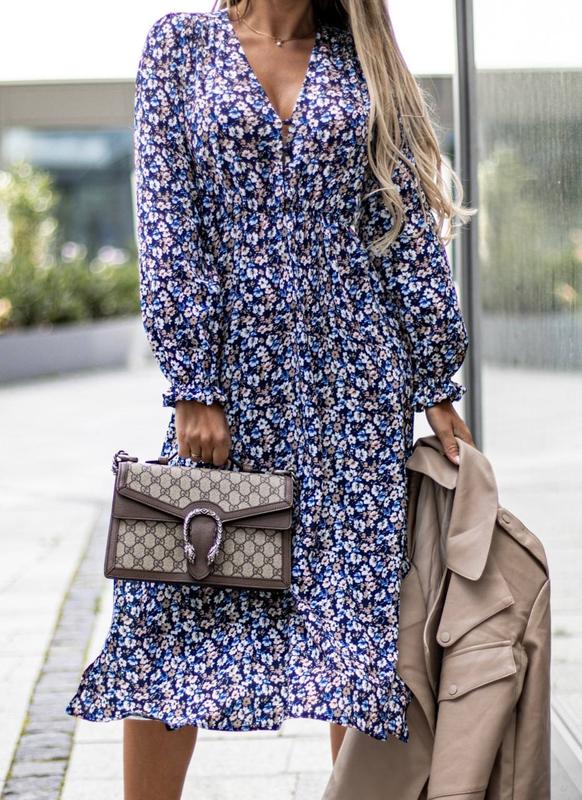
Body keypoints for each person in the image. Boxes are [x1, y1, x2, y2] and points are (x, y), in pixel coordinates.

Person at [66, 1, 476, 797]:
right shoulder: (182, 46)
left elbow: (400, 229)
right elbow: (166, 220)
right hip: (232, 391)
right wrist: (194, 383)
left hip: (354, 393)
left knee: (351, 642)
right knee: (169, 616)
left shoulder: (361, 57)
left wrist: (435, 378)